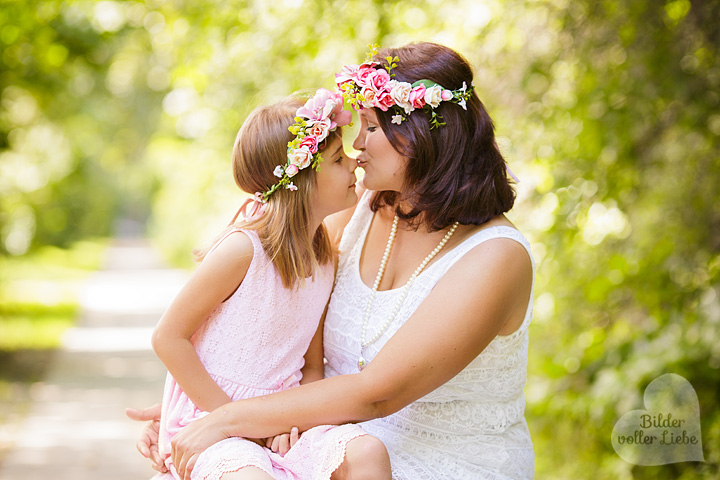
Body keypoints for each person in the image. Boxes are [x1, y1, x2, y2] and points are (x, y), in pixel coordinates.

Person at [129, 42, 535, 480]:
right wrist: (194, 406)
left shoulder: (495, 258)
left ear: (422, 134)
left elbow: (375, 394)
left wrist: (228, 420)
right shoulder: (358, 209)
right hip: (323, 441)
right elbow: (272, 321)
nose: (357, 146)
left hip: (439, 464)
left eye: (371, 128)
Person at [143, 87, 392, 480]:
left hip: (283, 419)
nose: (353, 167)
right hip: (214, 417)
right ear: (301, 181)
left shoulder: (325, 256)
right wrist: (234, 420)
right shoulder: (244, 250)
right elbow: (168, 337)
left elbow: (311, 365)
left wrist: (293, 423)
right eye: (337, 159)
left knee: (368, 453)